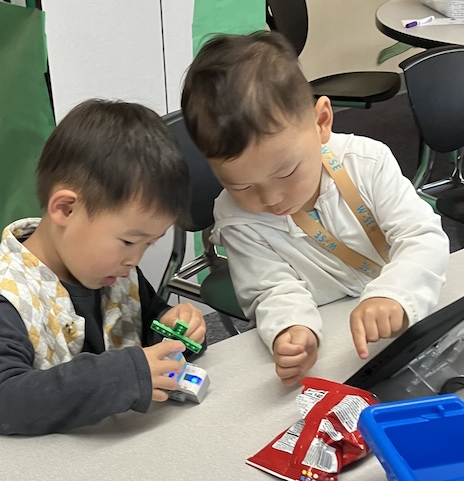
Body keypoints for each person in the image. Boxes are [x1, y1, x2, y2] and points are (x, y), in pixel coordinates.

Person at [181, 31, 449, 386]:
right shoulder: (236, 219)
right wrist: (292, 329)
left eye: (286, 171)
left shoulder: (365, 162)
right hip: (337, 342)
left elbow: (422, 236)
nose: (272, 198)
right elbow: (271, 289)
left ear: (321, 122)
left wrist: (394, 293)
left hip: (411, 313)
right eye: (241, 185)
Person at [0, 99, 206, 434]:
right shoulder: (7, 300)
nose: (135, 260)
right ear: (65, 209)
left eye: (148, 244)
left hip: (122, 442)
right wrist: (124, 376)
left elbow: (145, 316)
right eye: (128, 242)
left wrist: (173, 326)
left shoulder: (111, 267)